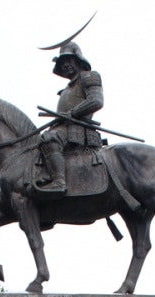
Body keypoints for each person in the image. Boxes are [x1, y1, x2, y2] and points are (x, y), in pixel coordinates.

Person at [37, 41, 104, 193]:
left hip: (78, 128)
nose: (65, 65)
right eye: (62, 63)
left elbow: (96, 101)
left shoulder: (89, 76)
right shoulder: (66, 89)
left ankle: (59, 181)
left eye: (69, 60)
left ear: (79, 60)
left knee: (50, 139)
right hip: (63, 127)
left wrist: (72, 113)